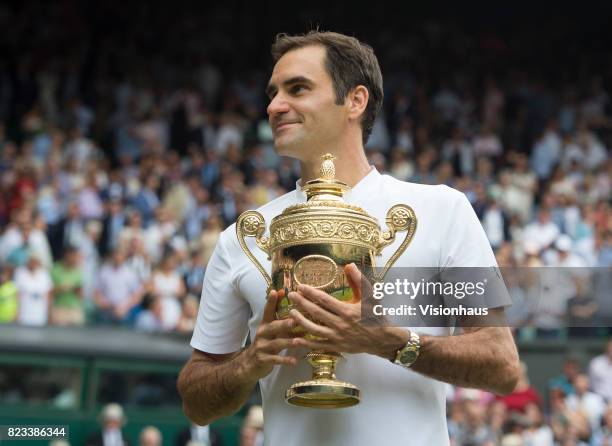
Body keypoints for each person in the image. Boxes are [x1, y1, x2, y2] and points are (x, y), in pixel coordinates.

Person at [178, 31, 519, 446]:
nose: (274, 106)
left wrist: (391, 342)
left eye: (297, 89)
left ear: (355, 100)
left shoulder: (444, 210)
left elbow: (501, 364)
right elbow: (197, 401)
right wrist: (249, 362)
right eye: (272, 93)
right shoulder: (241, 238)